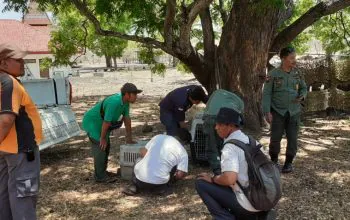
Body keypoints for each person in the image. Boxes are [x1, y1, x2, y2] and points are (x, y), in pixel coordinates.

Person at [195, 108, 274, 220]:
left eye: (219, 124)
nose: (216, 127)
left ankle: (225, 217)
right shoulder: (252, 141)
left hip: (248, 205)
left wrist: (213, 179)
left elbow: (229, 179)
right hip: (264, 200)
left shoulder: (230, 147)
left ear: (230, 126)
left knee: (200, 183)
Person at [0, 43, 43, 220]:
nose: (23, 63)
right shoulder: (9, 83)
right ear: (3, 63)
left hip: (5, 151)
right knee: (23, 199)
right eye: (17, 59)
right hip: (21, 153)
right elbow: (6, 119)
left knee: (4, 196)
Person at [82, 83, 142, 183]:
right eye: (134, 94)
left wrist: (129, 138)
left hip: (102, 125)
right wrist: (102, 138)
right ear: (127, 94)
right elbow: (106, 122)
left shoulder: (125, 103)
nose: (136, 96)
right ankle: (100, 177)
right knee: (100, 146)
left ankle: (102, 171)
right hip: (93, 123)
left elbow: (127, 119)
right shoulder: (114, 102)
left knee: (107, 146)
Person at [262, 46, 307, 173]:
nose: (294, 60)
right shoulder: (273, 74)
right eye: (291, 58)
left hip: (294, 111)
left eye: (295, 58)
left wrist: (302, 95)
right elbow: (267, 94)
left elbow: (304, 88)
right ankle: (274, 161)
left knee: (292, 138)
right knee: (275, 138)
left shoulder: (297, 73)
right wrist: (267, 111)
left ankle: (288, 163)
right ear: (283, 59)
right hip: (278, 112)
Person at [122, 128, 191, 196]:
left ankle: (134, 186)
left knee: (138, 160)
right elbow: (180, 174)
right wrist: (174, 179)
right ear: (184, 142)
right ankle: (162, 188)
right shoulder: (183, 152)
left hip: (140, 181)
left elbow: (143, 153)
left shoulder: (158, 137)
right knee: (174, 164)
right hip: (160, 184)